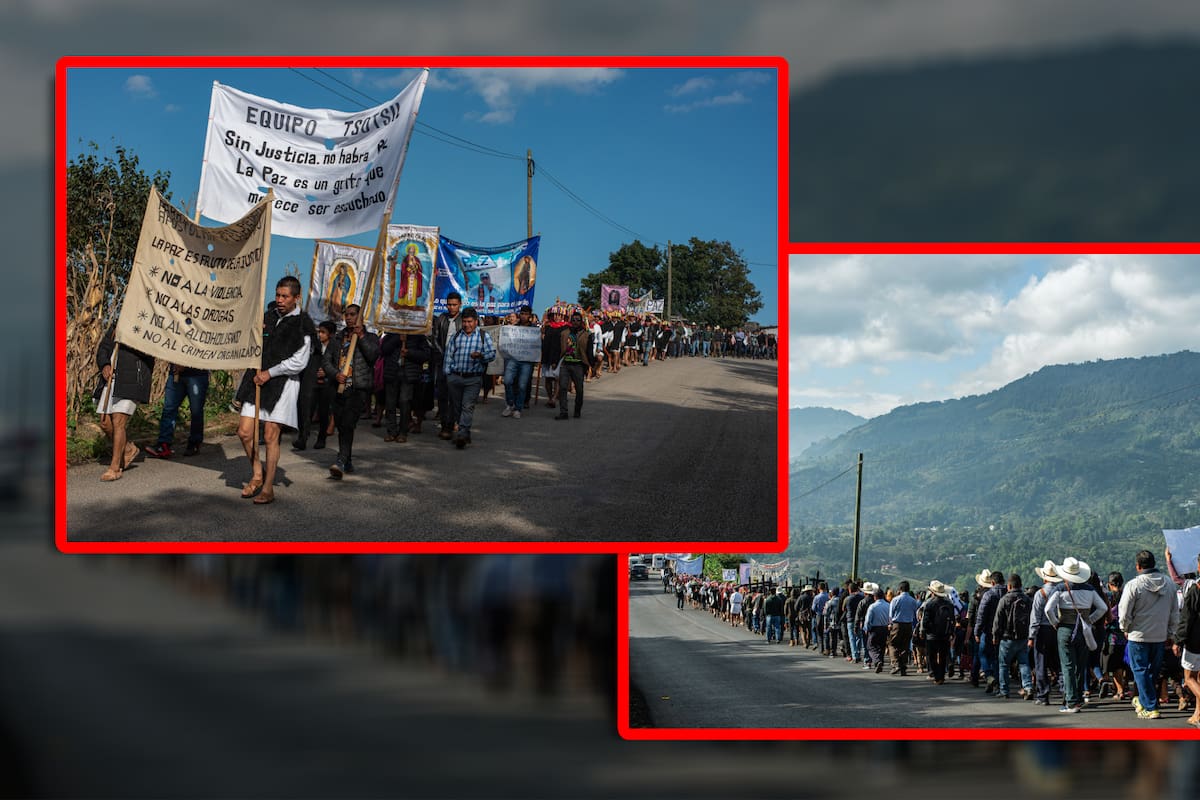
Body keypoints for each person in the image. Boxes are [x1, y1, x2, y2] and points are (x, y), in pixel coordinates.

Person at [234, 277, 316, 504]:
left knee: (271, 434)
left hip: (283, 383)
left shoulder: (303, 325)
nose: (279, 300)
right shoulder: (268, 317)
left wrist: (271, 373)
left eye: (285, 296)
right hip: (257, 379)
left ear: (296, 298)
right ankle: (257, 473)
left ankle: (268, 487)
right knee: (244, 432)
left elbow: (299, 361)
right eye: (278, 295)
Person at [1119, 549, 1180, 720]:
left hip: (1138, 635)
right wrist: (1171, 633)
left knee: (1140, 671)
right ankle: (1146, 701)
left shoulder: (1133, 585)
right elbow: (1174, 613)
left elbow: (1124, 612)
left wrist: (1125, 628)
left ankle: (1150, 706)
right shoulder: (1169, 584)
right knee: (1152, 671)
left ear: (1138, 566)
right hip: (1160, 635)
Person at [1045, 556, 1108, 714]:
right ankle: (1079, 698)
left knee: (1068, 666)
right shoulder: (1090, 589)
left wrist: (1056, 623)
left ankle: (1071, 702)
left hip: (1065, 629)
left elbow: (1048, 609)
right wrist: (1090, 620)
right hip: (1084, 630)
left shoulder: (1060, 588)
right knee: (1081, 665)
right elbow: (1103, 608)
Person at [92, 322, 154, 481]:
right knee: (105, 423)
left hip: (132, 379)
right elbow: (103, 348)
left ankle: (115, 468)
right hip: (111, 380)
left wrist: (129, 337)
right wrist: (105, 364)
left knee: (118, 421)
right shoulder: (116, 326)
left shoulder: (146, 325)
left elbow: (150, 353)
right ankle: (127, 449)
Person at [324, 303, 379, 478]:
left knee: (348, 423)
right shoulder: (337, 339)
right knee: (341, 424)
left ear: (360, 316)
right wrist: (335, 374)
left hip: (357, 388)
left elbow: (373, 356)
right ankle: (347, 460)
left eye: (352, 314)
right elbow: (326, 361)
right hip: (338, 388)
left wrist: (361, 336)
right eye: (346, 315)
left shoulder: (371, 337)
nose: (348, 318)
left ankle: (340, 460)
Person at [442, 306, 495, 448]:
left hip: (473, 379)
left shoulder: (483, 336)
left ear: (476, 321)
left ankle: (462, 434)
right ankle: (464, 432)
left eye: (470, 321)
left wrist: (481, 356)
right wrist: (448, 375)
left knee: (467, 406)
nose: (467, 325)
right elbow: (448, 356)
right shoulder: (456, 336)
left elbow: (492, 354)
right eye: (464, 321)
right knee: (457, 407)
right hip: (455, 377)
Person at [142, 363, 207, 459]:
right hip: (175, 374)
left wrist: (185, 365)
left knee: (196, 411)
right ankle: (163, 445)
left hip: (197, 375)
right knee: (169, 408)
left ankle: (194, 443)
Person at [380, 331, 430, 444]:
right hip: (392, 371)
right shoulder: (391, 333)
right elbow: (383, 350)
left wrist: (409, 353)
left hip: (408, 373)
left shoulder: (418, 334)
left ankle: (403, 432)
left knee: (405, 402)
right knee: (390, 402)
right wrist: (397, 338)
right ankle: (391, 431)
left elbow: (425, 354)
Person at [1028, 559, 1065, 706]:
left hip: (1042, 631)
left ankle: (1043, 695)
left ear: (1044, 578)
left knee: (1041, 664)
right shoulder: (1061, 591)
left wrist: (1031, 636)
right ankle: (1065, 690)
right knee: (1059, 663)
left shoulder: (1040, 594)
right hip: (1057, 628)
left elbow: (1035, 617)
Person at [992, 573, 1034, 699]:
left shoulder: (1004, 599)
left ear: (1009, 586)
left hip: (1007, 638)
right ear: (1020, 585)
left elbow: (997, 620)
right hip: (1023, 637)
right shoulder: (1027, 600)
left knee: (1004, 665)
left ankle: (1004, 690)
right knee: (1024, 663)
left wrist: (995, 636)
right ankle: (1028, 687)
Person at [431, 292, 464, 439]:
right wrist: (443, 354)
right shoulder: (441, 319)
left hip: (459, 364)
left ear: (460, 305)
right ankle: (445, 425)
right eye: (449, 304)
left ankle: (453, 422)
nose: (451, 307)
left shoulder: (464, 320)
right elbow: (434, 338)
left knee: (455, 396)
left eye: (454, 305)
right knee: (443, 395)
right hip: (443, 361)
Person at [1174, 550, 1200, 727]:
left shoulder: (1194, 590)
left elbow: (1186, 619)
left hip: (1195, 641)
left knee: (1189, 677)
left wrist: (1178, 640)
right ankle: (1197, 714)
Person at [501, 304, 538, 420]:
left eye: (526, 314)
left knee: (522, 385)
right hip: (513, 359)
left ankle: (518, 408)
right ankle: (510, 403)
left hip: (527, 361)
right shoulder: (513, 328)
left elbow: (536, 346)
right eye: (522, 313)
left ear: (530, 316)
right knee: (507, 381)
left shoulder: (534, 330)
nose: (524, 316)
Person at [554, 311, 593, 420]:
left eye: (578, 320)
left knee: (579, 389)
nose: (575, 322)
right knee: (563, 388)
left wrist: (591, 366)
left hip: (579, 365)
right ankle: (563, 412)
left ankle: (577, 410)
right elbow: (558, 348)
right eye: (574, 320)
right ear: (571, 321)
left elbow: (589, 351)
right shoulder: (564, 333)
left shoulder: (587, 335)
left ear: (581, 322)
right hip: (565, 363)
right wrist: (554, 361)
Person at [973, 569, 1006, 694]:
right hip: (1005, 631)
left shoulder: (988, 595)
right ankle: (998, 684)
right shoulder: (1008, 592)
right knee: (998, 658)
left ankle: (989, 676)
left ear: (992, 582)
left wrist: (977, 631)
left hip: (988, 631)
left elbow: (981, 615)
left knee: (983, 654)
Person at [919, 580, 957, 684]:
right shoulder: (949, 603)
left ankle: (937, 676)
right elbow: (953, 619)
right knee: (943, 655)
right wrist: (951, 632)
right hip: (945, 634)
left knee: (932, 656)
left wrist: (923, 631)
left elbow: (925, 620)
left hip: (932, 635)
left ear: (932, 592)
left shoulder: (929, 603)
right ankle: (942, 676)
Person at [888, 580, 920, 676]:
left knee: (893, 644)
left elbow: (891, 615)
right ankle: (903, 667)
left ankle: (896, 663)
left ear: (900, 589)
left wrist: (890, 624)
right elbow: (915, 614)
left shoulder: (895, 600)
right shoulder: (913, 601)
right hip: (908, 624)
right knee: (905, 646)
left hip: (897, 624)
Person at [864, 587, 891, 673]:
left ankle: (877, 660)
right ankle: (880, 662)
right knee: (882, 646)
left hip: (875, 629)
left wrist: (866, 628)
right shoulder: (888, 605)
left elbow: (868, 620)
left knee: (870, 646)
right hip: (885, 628)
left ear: (875, 597)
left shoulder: (872, 607)